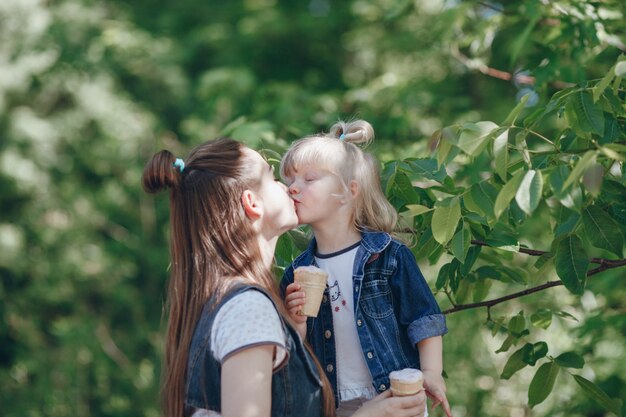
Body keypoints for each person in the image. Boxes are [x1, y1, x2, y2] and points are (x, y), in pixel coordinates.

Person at [142, 137, 428, 417]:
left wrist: (296, 335)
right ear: (252, 203)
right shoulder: (247, 309)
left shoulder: (225, 301)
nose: (288, 188)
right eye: (272, 176)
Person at [280, 120, 452, 417]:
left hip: (395, 395)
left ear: (349, 192)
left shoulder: (388, 255)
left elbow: (424, 319)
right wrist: (296, 323)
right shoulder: (296, 272)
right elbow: (292, 357)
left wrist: (431, 373)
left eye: (309, 179)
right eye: (290, 180)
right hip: (331, 404)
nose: (293, 188)